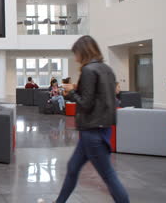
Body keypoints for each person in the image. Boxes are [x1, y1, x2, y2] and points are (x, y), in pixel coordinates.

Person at [48, 35, 129, 203]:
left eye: (76, 53)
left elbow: (85, 103)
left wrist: (70, 92)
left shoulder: (88, 70)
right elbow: (105, 97)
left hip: (92, 131)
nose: (75, 58)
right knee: (72, 168)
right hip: (100, 128)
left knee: (108, 176)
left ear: (83, 51)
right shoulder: (107, 69)